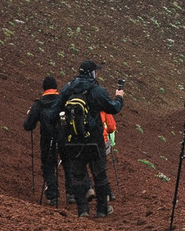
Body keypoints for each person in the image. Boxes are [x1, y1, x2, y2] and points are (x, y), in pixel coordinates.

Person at [56, 58, 126, 220]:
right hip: (94, 140)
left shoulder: (68, 89)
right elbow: (113, 108)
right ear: (92, 73)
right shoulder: (97, 90)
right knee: (99, 174)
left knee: (78, 175)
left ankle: (82, 211)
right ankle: (101, 210)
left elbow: (56, 111)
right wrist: (119, 97)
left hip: (74, 140)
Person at [22, 75, 64, 206]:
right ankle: (73, 194)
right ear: (56, 87)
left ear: (44, 88)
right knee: (69, 163)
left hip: (47, 139)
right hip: (64, 137)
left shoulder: (39, 104)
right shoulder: (63, 101)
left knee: (48, 165)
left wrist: (31, 115)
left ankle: (53, 194)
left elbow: (28, 126)